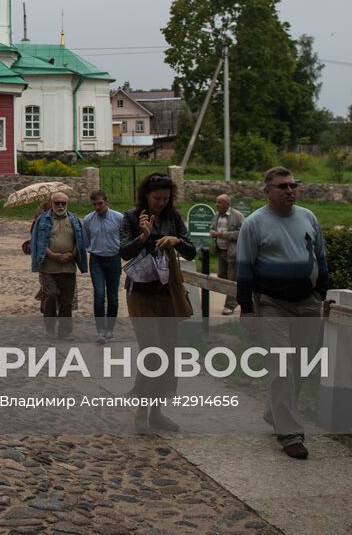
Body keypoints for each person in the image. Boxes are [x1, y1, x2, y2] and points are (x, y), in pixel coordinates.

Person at [235, 167, 329, 460]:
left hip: (308, 302)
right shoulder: (254, 224)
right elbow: (244, 269)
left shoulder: (308, 217)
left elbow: (321, 258)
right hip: (272, 303)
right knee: (282, 366)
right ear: (267, 191)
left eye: (293, 185)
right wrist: (247, 309)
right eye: (282, 186)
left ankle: (274, 411)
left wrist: (320, 295)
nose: (290, 191)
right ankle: (290, 434)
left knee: (303, 364)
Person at [119, 172, 195, 432]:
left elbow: (192, 249)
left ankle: (157, 411)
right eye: (157, 198)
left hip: (167, 292)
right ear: (146, 196)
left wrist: (176, 241)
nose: (162, 202)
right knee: (152, 352)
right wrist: (142, 237)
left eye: (166, 197)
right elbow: (123, 252)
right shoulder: (131, 217)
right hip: (140, 293)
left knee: (169, 353)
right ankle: (141, 411)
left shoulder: (173, 217)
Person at [29, 192, 89, 340]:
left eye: (63, 203)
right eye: (57, 203)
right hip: (48, 267)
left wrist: (73, 254)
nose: (60, 206)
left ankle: (65, 332)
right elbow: (37, 242)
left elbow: (80, 242)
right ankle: (50, 327)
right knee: (51, 294)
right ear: (51, 204)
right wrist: (53, 255)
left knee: (66, 301)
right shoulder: (42, 220)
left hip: (68, 267)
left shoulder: (74, 220)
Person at [82, 189, 125, 343]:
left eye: (100, 203)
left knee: (113, 296)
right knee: (99, 295)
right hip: (96, 260)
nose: (97, 207)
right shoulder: (88, 220)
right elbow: (85, 240)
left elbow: (124, 237)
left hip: (114, 259)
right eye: (94, 204)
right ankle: (100, 329)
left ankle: (110, 329)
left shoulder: (119, 218)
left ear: (106, 202)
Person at [211, 194, 245, 315]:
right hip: (221, 251)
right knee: (221, 276)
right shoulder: (216, 215)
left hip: (233, 253)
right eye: (216, 202)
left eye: (220, 202)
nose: (217, 205)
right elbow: (212, 227)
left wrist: (223, 235)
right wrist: (212, 232)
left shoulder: (237, 216)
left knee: (232, 279)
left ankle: (230, 305)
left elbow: (242, 233)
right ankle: (239, 295)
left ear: (227, 204)